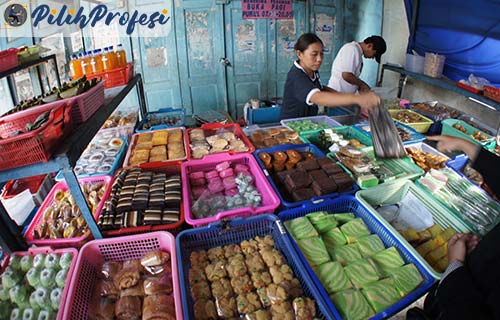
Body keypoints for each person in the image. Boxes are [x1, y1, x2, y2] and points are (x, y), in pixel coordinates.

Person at [406, 135, 500, 320]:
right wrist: (468, 147)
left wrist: (455, 265)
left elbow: (470, 313)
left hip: (459, 295)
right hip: (460, 281)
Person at [280, 33, 380, 120]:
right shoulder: (297, 75)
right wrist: (358, 99)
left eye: (321, 54)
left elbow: (320, 89)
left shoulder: (312, 70)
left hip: (307, 121)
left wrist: (341, 95)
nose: (319, 59)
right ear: (299, 54)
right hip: (292, 126)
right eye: (314, 54)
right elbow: (317, 97)